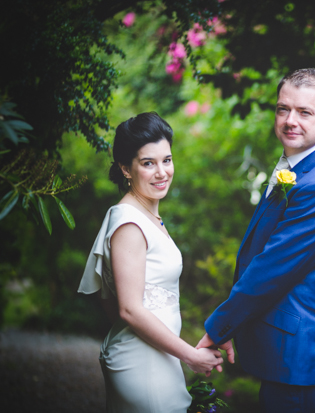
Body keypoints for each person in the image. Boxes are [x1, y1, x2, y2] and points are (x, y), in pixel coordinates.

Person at [198, 68, 315, 412]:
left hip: (304, 362)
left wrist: (219, 328)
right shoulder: (300, 166)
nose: (289, 120)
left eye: (304, 112)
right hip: (291, 356)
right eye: (283, 109)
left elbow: (269, 270)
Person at [78, 112, 225, 412]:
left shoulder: (149, 217)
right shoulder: (129, 223)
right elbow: (128, 309)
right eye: (148, 163)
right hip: (142, 364)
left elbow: (109, 298)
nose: (162, 172)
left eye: (167, 160)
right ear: (125, 169)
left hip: (157, 357)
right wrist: (190, 355)